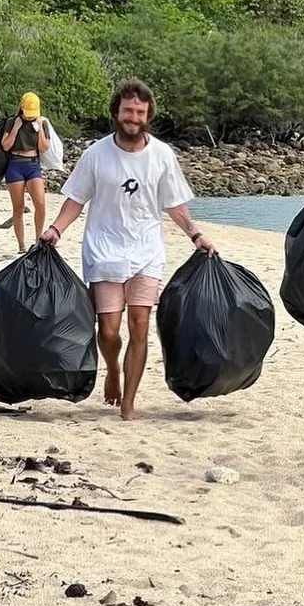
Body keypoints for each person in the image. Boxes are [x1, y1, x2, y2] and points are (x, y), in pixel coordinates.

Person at [39, 78, 217, 421]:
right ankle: (112, 369)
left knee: (139, 323)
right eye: (127, 111)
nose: (133, 117)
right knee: (107, 330)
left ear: (148, 115)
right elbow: (76, 199)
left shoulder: (162, 155)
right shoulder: (96, 154)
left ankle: (129, 404)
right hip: (103, 251)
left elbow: (175, 206)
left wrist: (196, 236)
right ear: (116, 113)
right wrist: (55, 230)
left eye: (140, 112)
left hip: (147, 251)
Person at [1, 92, 51, 253]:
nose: (29, 118)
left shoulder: (42, 123)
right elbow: (6, 145)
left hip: (33, 165)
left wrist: (40, 128)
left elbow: (44, 148)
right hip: (15, 165)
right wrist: (16, 127)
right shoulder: (12, 122)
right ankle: (21, 245)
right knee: (18, 207)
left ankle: (38, 240)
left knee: (40, 203)